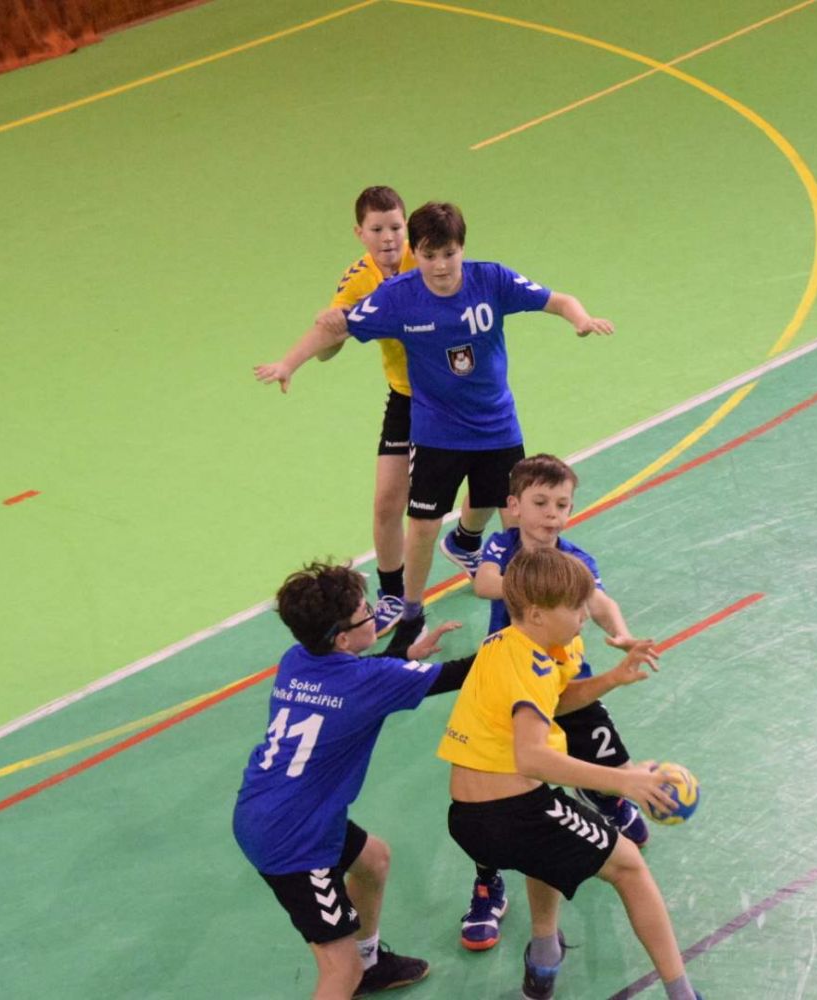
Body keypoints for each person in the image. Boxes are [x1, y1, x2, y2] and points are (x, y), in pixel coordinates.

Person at [258, 201, 614, 641]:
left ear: (462, 247)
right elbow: (336, 328)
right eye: (429, 255)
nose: (441, 265)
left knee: (516, 523)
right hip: (436, 431)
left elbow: (558, 300)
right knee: (424, 526)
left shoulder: (492, 279)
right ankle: (411, 612)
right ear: (417, 252)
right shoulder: (398, 296)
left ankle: (519, 618)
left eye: (449, 253)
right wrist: (288, 364)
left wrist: (581, 319)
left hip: (497, 427)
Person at [437, 548, 703, 1000]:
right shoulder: (529, 663)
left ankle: (544, 957)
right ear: (537, 614)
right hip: (510, 812)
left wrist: (612, 678)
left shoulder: (510, 645)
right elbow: (531, 757)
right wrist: (625, 780)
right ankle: (683, 995)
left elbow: (552, 704)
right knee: (630, 867)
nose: (585, 615)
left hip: (474, 817)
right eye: (576, 607)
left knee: (548, 846)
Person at [231, 560, 472, 999]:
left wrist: (404, 657)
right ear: (342, 638)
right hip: (295, 840)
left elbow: (354, 679)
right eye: (366, 612)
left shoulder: (296, 660)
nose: (376, 615)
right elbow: (460, 674)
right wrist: (524, 643)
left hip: (267, 808)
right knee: (340, 970)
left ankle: (371, 963)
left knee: (373, 860)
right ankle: (357, 971)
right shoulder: (369, 680)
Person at [253, 185, 476, 636]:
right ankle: (392, 594)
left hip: (459, 391)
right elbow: (331, 343)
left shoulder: (427, 256)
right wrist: (293, 360)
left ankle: (466, 542)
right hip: (407, 397)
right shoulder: (357, 280)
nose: (388, 237)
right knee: (387, 502)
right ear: (360, 233)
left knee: (489, 481)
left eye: (395, 227)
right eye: (377, 229)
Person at [456, 454, 654, 952]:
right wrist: (539, 590)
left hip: (567, 685)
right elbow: (483, 584)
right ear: (514, 506)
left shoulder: (576, 559)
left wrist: (621, 633)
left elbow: (601, 602)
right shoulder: (502, 546)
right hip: (508, 690)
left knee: (610, 760)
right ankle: (488, 883)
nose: (551, 514)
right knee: (496, 794)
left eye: (561, 505)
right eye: (540, 502)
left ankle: (606, 797)